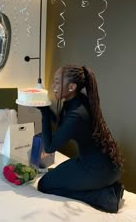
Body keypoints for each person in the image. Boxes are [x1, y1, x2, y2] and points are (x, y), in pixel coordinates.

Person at [37, 65, 124, 213]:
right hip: (108, 166)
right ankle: (113, 188)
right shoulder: (79, 101)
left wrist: (45, 114)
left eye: (57, 82)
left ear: (71, 86)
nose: (53, 86)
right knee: (54, 176)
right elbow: (63, 126)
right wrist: (44, 107)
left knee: (44, 184)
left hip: (98, 170)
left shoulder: (76, 114)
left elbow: (50, 147)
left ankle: (106, 197)